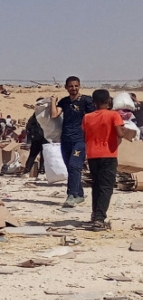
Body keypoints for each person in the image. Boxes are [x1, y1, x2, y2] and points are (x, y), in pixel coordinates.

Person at [83, 89, 137, 230]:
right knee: (106, 187)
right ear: (108, 101)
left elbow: (85, 134)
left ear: (94, 102)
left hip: (92, 155)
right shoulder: (114, 115)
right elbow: (120, 133)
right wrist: (125, 130)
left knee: (96, 185)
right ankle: (99, 219)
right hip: (108, 154)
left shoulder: (87, 117)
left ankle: (95, 214)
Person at [51, 77, 96, 207]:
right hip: (65, 139)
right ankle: (79, 195)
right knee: (70, 168)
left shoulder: (86, 101)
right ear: (66, 87)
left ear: (79, 86)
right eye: (71, 86)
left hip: (80, 139)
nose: (74, 88)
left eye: (76, 86)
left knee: (74, 166)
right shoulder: (64, 101)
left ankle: (71, 195)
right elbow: (54, 115)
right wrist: (53, 101)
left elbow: (94, 118)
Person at [23, 110, 47, 177]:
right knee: (43, 156)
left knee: (32, 155)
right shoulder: (45, 117)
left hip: (35, 139)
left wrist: (29, 140)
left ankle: (27, 171)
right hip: (44, 138)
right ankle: (41, 171)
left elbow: (28, 128)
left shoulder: (33, 118)